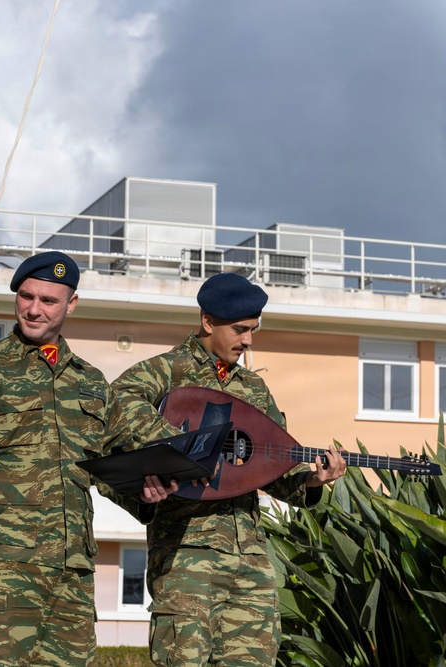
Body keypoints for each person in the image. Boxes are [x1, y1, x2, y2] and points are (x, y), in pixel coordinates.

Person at [110, 271, 347, 666]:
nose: (248, 340)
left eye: (253, 330)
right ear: (208, 322)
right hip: (187, 557)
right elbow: (117, 403)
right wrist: (186, 448)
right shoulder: (165, 371)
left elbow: (275, 469)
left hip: (250, 563)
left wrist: (312, 479)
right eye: (239, 329)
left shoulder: (254, 390)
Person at [0, 251, 112, 666]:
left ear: (72, 303)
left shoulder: (91, 382)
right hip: (3, 564)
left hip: (73, 570)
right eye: (26, 297)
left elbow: (108, 463)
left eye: (48, 300)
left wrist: (149, 490)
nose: (33, 309)